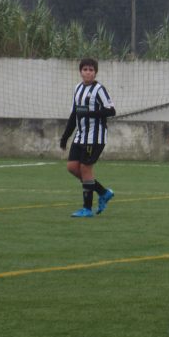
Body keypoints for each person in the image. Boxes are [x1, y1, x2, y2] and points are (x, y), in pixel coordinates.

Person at [59, 58, 116, 218]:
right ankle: (103, 192)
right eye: (85, 69)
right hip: (80, 136)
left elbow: (111, 111)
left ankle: (87, 208)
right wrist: (65, 137)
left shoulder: (99, 89)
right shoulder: (77, 88)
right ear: (80, 71)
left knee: (85, 169)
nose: (88, 72)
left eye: (91, 70)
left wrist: (90, 113)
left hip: (95, 137)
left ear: (95, 72)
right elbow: (74, 114)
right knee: (72, 167)